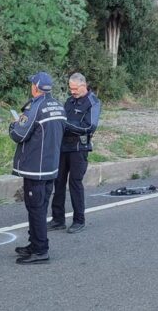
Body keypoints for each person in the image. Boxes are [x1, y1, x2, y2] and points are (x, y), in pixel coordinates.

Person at [10, 72, 65, 264]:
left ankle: (41, 250)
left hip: (35, 167)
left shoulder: (35, 107)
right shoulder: (59, 105)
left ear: (35, 87)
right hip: (51, 166)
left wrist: (13, 125)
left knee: (36, 209)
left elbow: (19, 134)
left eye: (32, 84)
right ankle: (34, 244)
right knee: (39, 207)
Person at [49, 73, 101, 234]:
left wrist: (66, 125)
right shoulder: (69, 101)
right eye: (70, 88)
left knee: (75, 184)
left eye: (74, 88)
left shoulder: (93, 102)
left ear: (83, 85)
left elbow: (89, 126)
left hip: (79, 149)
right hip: (63, 147)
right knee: (58, 182)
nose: (72, 91)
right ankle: (58, 219)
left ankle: (79, 220)